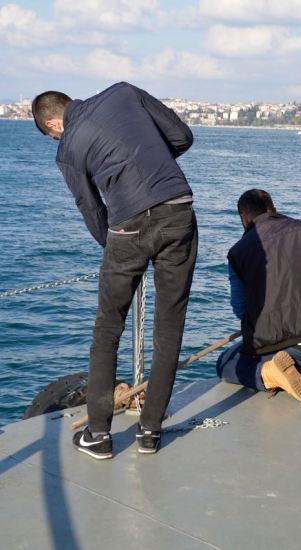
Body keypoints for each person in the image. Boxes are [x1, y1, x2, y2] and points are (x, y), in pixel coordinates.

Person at [32, 82, 198, 459]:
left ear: (53, 124)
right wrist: (149, 165)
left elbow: (91, 207)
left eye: (51, 135)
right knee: (170, 325)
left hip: (128, 227)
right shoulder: (124, 93)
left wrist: (112, 246)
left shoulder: (67, 149)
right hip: (177, 208)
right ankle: (151, 431)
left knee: (108, 329)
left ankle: (99, 435)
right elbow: (182, 137)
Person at [216, 189, 301, 404]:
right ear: (274, 210)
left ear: (244, 217)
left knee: (226, 362)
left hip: (296, 350)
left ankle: (271, 373)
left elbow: (240, 308)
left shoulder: (238, 252)